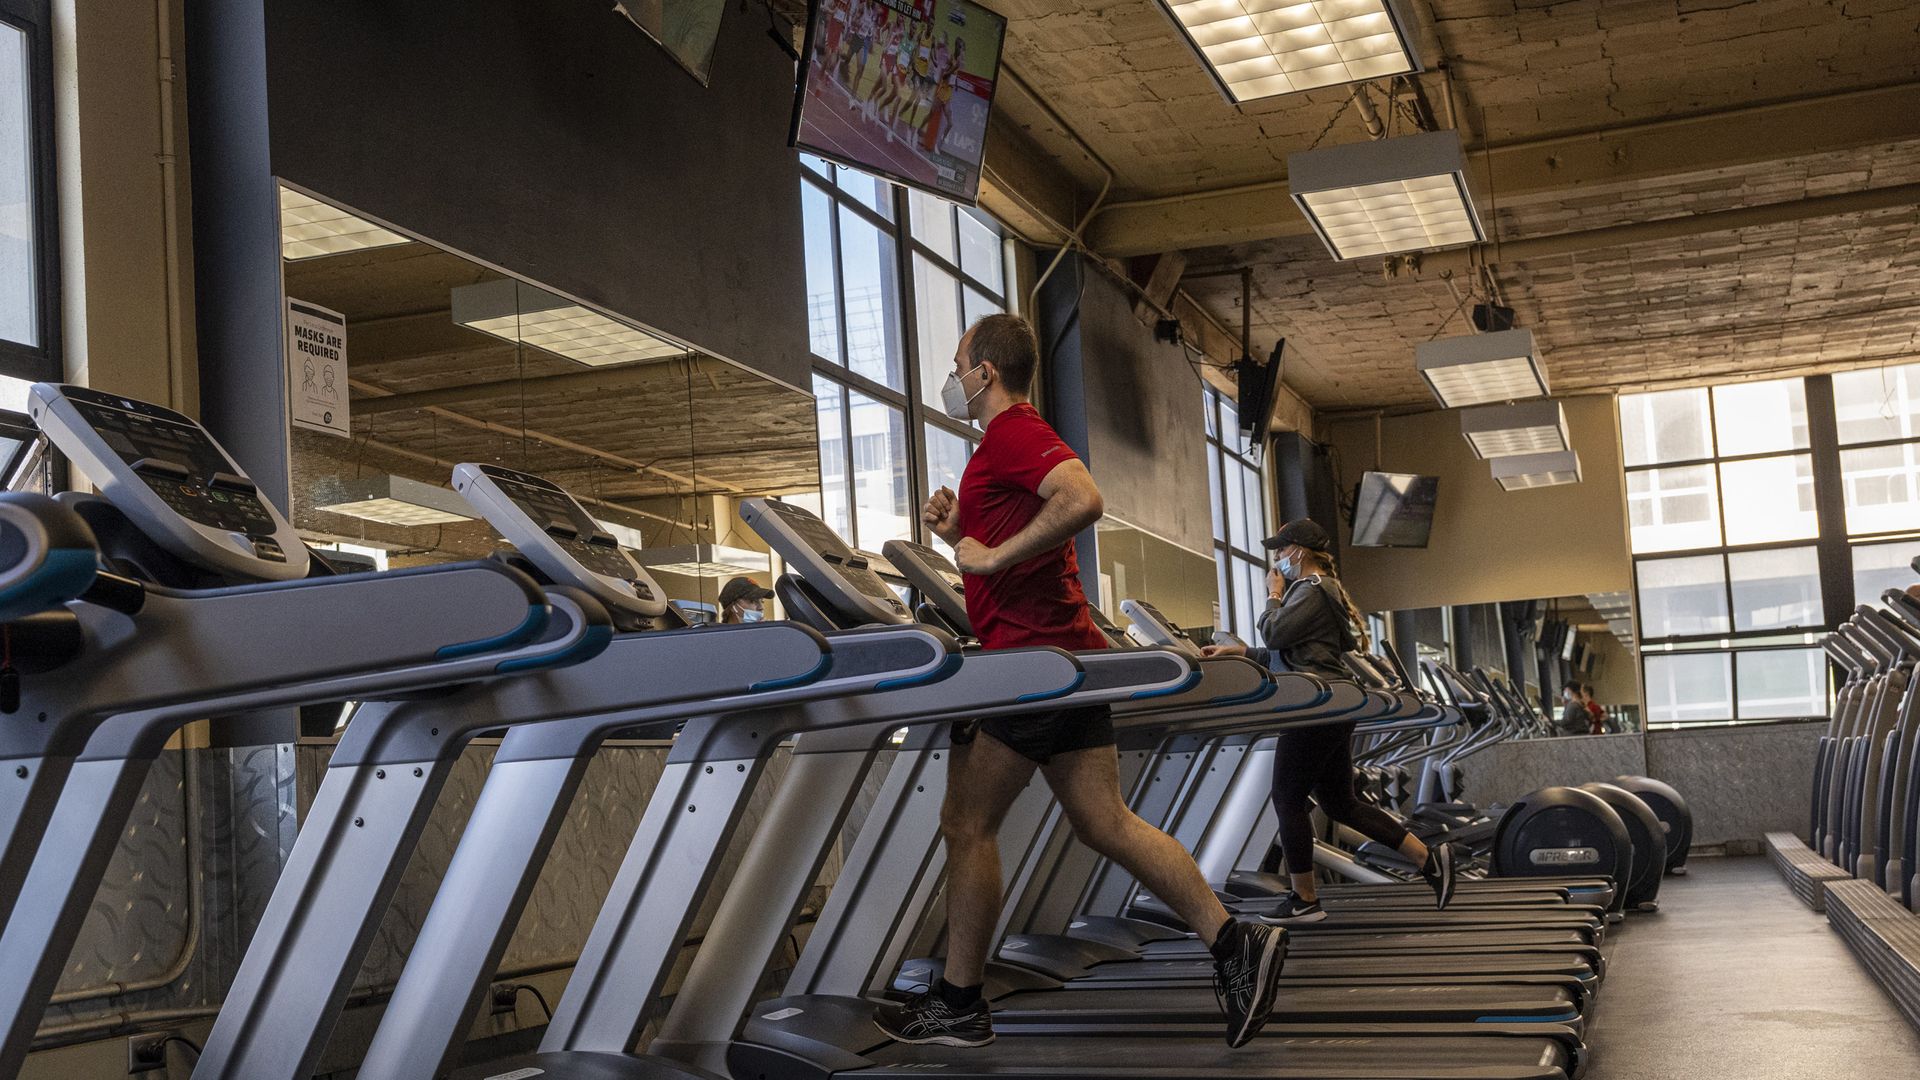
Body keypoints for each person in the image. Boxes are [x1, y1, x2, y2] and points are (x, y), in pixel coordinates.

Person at [873, 314, 1288, 1050]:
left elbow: (1083, 498)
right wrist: (959, 531)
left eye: (958, 362)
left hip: (1034, 668)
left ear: (986, 372)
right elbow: (1022, 525)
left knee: (968, 825)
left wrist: (992, 556)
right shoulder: (1001, 447)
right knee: (1104, 824)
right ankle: (1234, 945)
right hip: (1068, 662)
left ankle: (960, 1002)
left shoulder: (1013, 432)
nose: (953, 375)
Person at [1201, 520, 1458, 924]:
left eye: (1281, 552)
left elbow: (1274, 633)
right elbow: (1294, 655)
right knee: (1341, 803)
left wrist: (1273, 594)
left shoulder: (1313, 589)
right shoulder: (1317, 592)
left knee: (1287, 798)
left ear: (1299, 552)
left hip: (1315, 708)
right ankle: (1428, 859)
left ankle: (1304, 900)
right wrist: (1237, 653)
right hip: (1327, 705)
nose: (1277, 560)